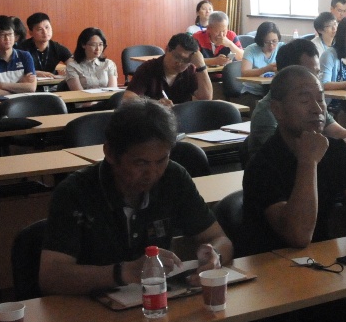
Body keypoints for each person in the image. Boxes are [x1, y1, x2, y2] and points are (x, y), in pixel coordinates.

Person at [39, 98, 234, 295]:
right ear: (110, 153)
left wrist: (214, 256)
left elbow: (219, 238)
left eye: (162, 160)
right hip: (88, 304)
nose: (153, 173)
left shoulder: (174, 177)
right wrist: (123, 272)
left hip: (155, 300)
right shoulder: (75, 192)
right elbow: (51, 277)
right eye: (141, 163)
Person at [242, 66, 346, 251]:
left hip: (323, 256)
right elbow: (298, 236)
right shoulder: (262, 165)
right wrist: (308, 162)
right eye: (305, 100)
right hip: (273, 262)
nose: (317, 109)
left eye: (320, 99)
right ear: (278, 110)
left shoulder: (335, 150)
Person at [245, 38, 346, 161]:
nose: (315, 80)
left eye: (317, 73)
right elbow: (287, 156)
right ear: (286, 73)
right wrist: (334, 148)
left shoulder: (316, 104)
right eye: (308, 73)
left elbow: (337, 131)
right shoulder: (267, 113)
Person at [124, 32, 212, 106]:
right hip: (153, 117)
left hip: (182, 117)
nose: (180, 63)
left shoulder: (190, 70)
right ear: (167, 50)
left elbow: (206, 98)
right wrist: (155, 104)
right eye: (177, 57)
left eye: (186, 60)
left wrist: (201, 66)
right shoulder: (148, 68)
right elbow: (128, 98)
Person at [0, 15, 38, 97]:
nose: (7, 38)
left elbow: (31, 88)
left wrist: (0, 85)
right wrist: (20, 86)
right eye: (2, 34)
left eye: (10, 34)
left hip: (22, 103)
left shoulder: (25, 56)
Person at [239, 21, 281, 99]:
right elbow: (244, 73)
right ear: (260, 40)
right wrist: (266, 69)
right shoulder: (251, 50)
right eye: (267, 42)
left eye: (274, 41)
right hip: (253, 92)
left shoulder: (281, 48)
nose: (271, 45)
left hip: (275, 91)